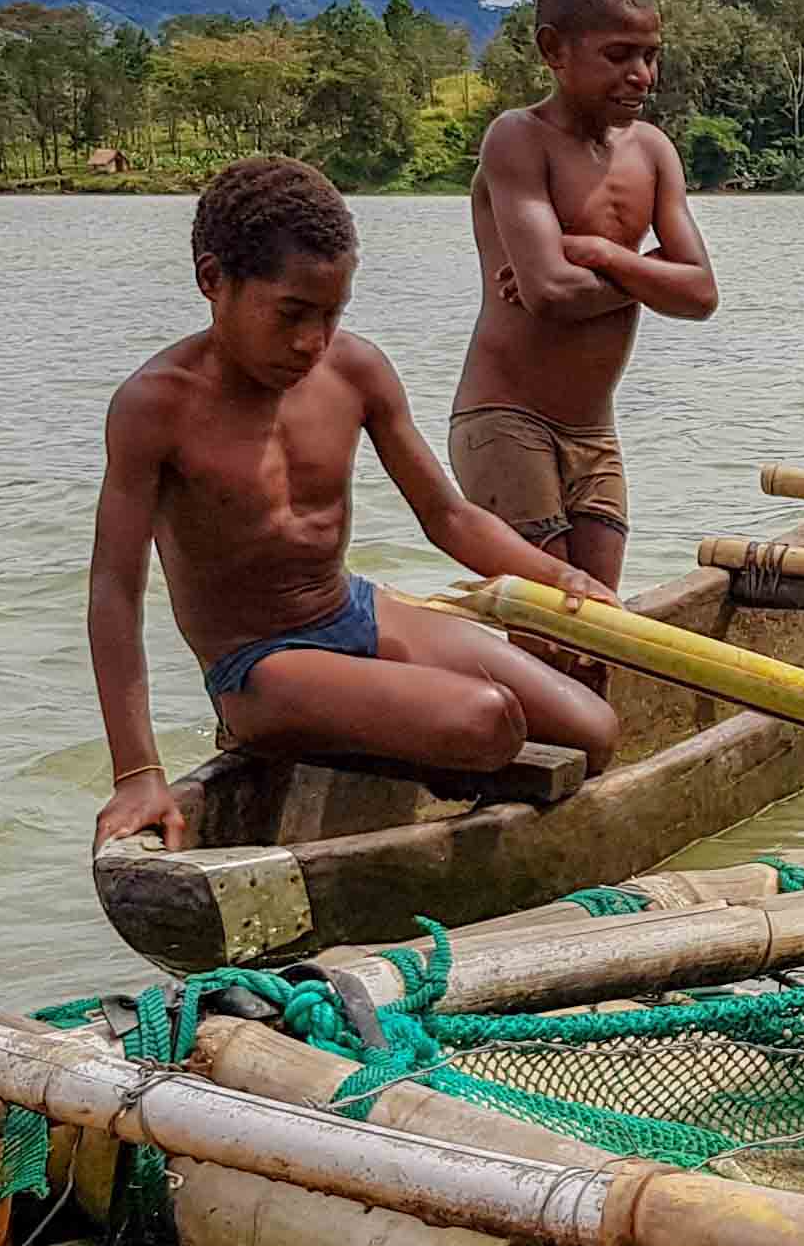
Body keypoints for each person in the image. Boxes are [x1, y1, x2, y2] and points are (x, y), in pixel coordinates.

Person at [88, 155, 620, 853]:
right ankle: (347, 724)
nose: (312, 341)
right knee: (487, 721)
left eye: (331, 315)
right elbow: (114, 590)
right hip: (257, 666)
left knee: (595, 729)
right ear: (213, 281)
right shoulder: (154, 406)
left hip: (351, 610)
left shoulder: (355, 369)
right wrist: (137, 771)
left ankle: (380, 715)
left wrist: (560, 580)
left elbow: (449, 517)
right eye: (291, 314)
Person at [452, 0, 719, 594]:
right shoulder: (518, 140)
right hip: (506, 420)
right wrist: (650, 274)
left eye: (651, 56)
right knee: (553, 628)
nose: (642, 75)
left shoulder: (652, 151)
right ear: (554, 51)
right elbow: (549, 293)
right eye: (619, 55)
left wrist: (599, 254)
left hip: (594, 430)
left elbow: (702, 292)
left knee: (600, 635)